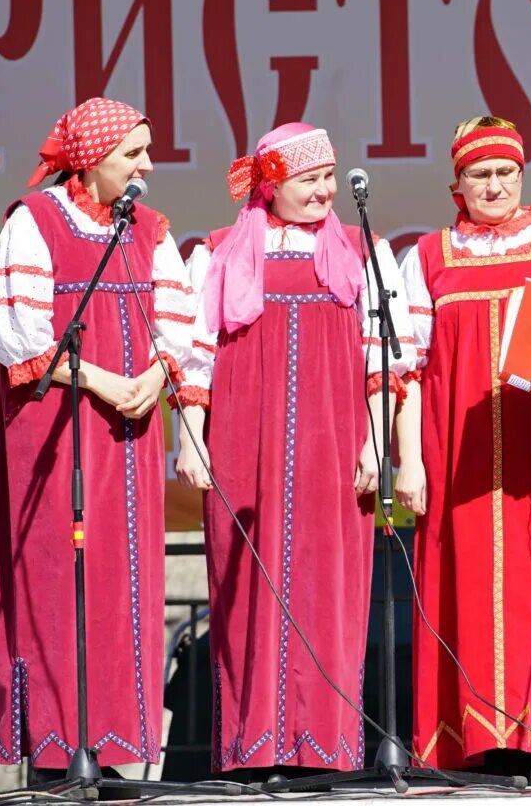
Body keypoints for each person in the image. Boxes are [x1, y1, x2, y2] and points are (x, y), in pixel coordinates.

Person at [176, 123, 414, 778]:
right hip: (242, 448)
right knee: (247, 590)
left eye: (328, 179)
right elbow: (194, 361)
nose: (324, 191)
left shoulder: (360, 253)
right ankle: (256, 749)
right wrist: (191, 440)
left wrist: (377, 444)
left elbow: (383, 363)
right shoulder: (220, 254)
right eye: (308, 180)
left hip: (332, 451)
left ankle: (322, 748)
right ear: (272, 185)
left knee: (327, 591)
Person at [0, 97, 200, 776]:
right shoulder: (35, 223)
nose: (147, 165)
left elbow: (178, 320)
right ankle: (54, 754)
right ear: (93, 158)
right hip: (56, 425)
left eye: (145, 149)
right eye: (133, 152)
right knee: (57, 579)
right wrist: (107, 382)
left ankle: (109, 752)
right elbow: (14, 332)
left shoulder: (149, 230)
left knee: (121, 583)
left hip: (128, 428)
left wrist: (158, 374)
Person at [395, 117, 531, 778]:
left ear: (522, 175)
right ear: (456, 183)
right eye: (480, 175)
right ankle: (475, 744)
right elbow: (405, 366)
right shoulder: (428, 256)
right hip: (456, 455)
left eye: (505, 173)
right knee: (460, 588)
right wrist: (409, 459)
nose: (494, 186)